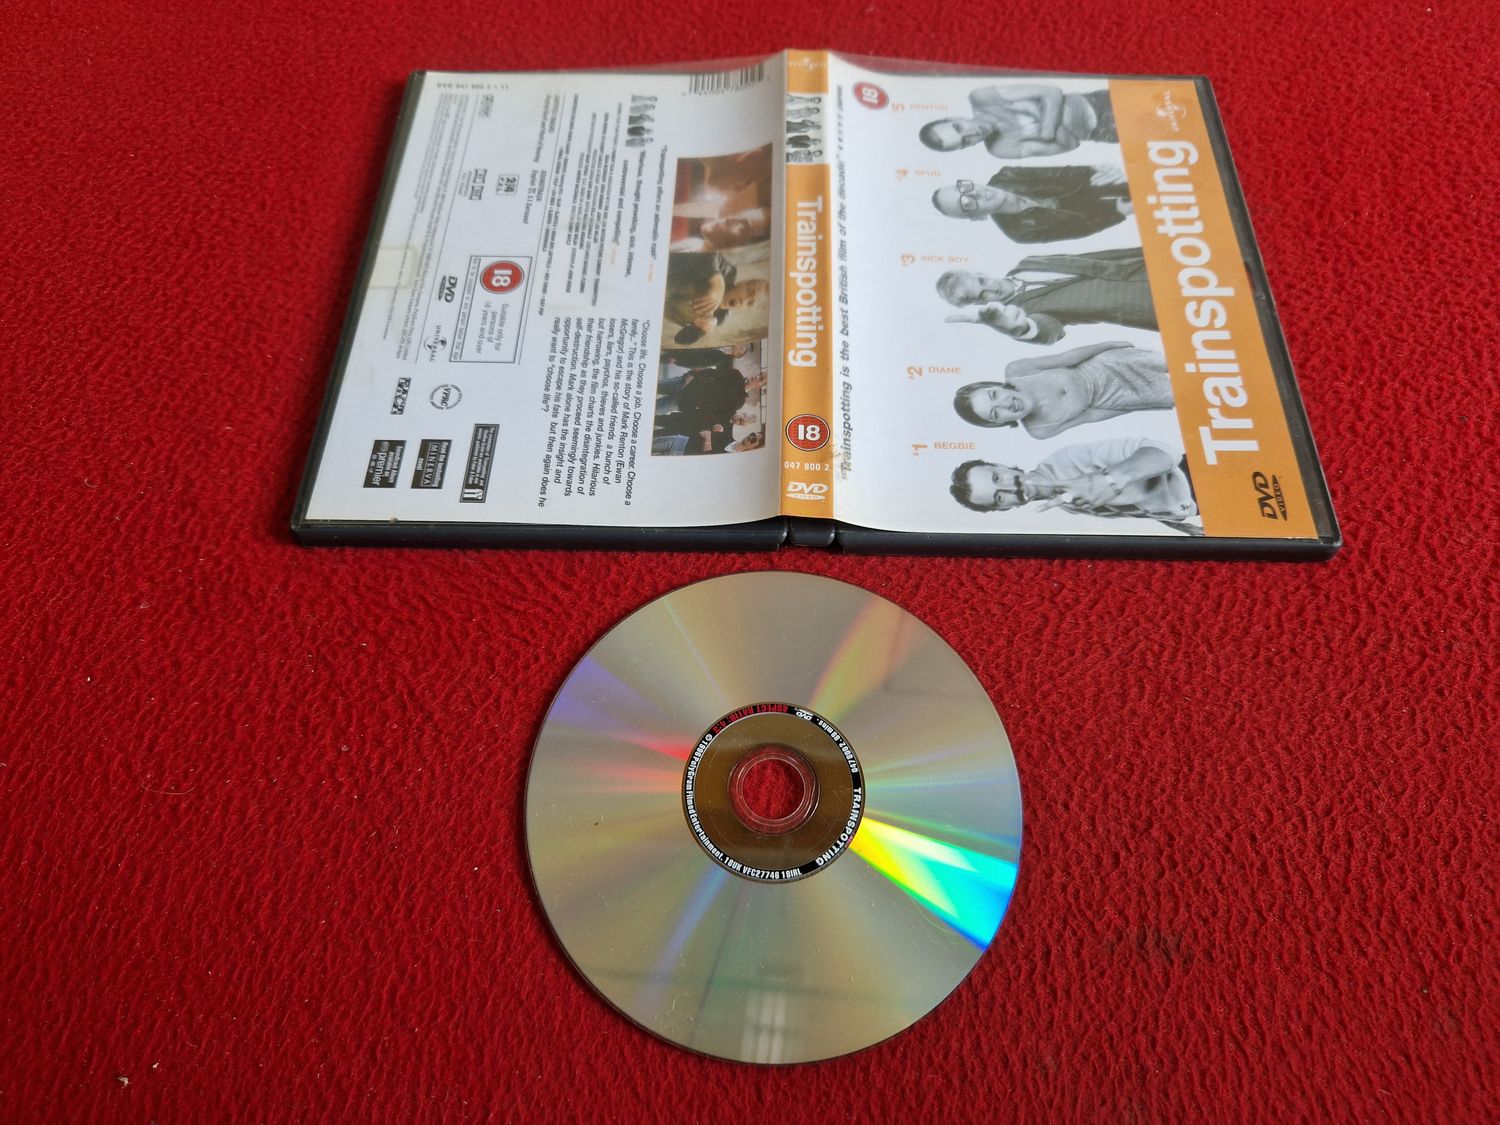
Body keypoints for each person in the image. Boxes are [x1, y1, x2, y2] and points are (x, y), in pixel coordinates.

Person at [949, 438, 1202, 534]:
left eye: (997, 478)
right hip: (1198, 508)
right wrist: (1181, 526)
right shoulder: (1066, 506)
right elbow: (1135, 506)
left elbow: (1164, 452)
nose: (1009, 488)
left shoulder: (1067, 459)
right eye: (999, 498)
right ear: (1004, 509)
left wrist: (1109, 479)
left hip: (1198, 475)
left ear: (1002, 465)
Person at [953, 342, 1172, 438]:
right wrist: (1134, 404)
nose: (1005, 404)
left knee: (1176, 363)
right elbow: (1090, 416)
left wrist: (1109, 345)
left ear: (996, 386)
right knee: (1181, 394)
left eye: (994, 395)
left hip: (1107, 364)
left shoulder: (1018, 370)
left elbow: (1068, 357)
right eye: (995, 413)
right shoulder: (1040, 430)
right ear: (997, 423)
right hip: (1114, 398)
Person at [937, 248, 1156, 344]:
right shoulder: (1022, 313)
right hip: (1148, 306)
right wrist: (1021, 330)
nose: (992, 289)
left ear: (982, 273)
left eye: (982, 282)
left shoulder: (1028, 262)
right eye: (983, 295)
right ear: (979, 303)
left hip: (1147, 263)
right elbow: (1050, 331)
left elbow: (1099, 258)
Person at [931, 166, 1131, 243]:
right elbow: (1080, 229)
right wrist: (1118, 213)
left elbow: (1065, 173)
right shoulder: (1020, 233)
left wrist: (1099, 170)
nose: (975, 193)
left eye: (964, 187)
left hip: (1089, 185)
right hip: (1093, 213)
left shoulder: (1007, 175)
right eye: (967, 202)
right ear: (977, 217)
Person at [920, 85, 1115, 158]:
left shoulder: (982, 98)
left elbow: (1052, 92)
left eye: (959, 127)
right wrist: (1036, 112)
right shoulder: (1000, 149)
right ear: (966, 147)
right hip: (1104, 131)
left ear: (954, 117)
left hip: (1099, 100)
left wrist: (1046, 134)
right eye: (965, 141)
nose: (973, 133)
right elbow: (1071, 145)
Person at [663, 252, 770, 344]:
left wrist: (701, 332)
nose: (744, 301)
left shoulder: (719, 318)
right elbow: (708, 250)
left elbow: (680, 340)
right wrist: (717, 282)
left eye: (750, 303)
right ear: (742, 284)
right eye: (750, 292)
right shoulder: (729, 272)